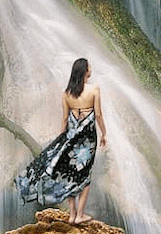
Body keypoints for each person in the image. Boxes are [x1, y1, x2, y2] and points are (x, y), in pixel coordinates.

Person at [14, 57, 112, 223]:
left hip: (70, 137)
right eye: (89, 67)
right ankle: (79, 214)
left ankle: (72, 214)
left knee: (70, 175)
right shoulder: (94, 89)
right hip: (88, 139)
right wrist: (104, 133)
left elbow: (65, 119)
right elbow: (98, 114)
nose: (91, 69)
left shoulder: (66, 94)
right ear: (85, 71)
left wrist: (61, 141)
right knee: (85, 175)